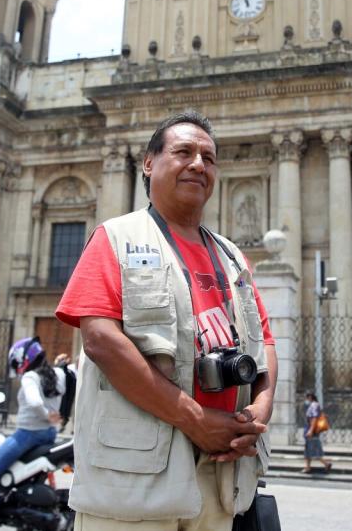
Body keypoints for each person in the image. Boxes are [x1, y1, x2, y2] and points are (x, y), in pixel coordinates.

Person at [55, 111, 279, 530]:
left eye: (209, 158)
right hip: (135, 483)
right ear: (149, 162)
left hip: (220, 478)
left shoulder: (233, 257)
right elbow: (101, 340)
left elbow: (264, 340)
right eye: (184, 152)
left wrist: (259, 410)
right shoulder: (115, 238)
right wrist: (194, 419)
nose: (198, 164)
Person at [0, 337, 65, 531]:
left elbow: (34, 402)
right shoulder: (57, 375)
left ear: (23, 359)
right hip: (49, 435)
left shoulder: (30, 377)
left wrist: (46, 415)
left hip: (28, 434)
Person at [303, 392, 332, 474]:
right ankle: (307, 467)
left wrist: (310, 430)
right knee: (308, 449)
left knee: (313, 449)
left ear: (310, 397)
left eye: (307, 397)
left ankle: (326, 464)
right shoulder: (314, 405)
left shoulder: (314, 405)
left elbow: (314, 418)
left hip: (312, 431)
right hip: (310, 430)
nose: (306, 400)